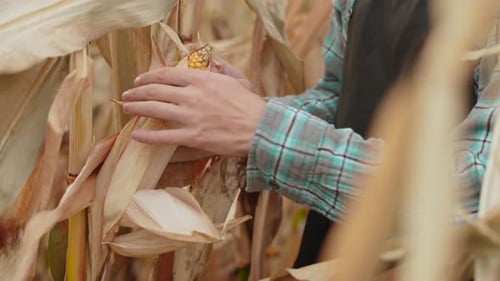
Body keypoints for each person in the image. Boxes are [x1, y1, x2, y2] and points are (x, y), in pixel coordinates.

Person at [121, 0, 497, 267]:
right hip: (330, 258)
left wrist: (262, 129)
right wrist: (243, 111)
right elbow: (340, 96)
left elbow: (476, 195)